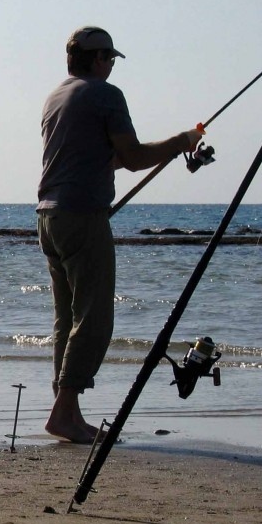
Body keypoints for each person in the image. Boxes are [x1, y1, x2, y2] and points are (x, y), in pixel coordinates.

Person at [36, 26, 203, 444]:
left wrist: (170, 148)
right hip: (82, 217)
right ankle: (64, 414)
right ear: (97, 59)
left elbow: (101, 159)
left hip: (48, 217)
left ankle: (66, 410)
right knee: (94, 320)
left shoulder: (57, 96)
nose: (111, 67)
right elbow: (133, 157)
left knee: (67, 320)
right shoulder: (105, 95)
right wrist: (182, 140)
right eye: (109, 59)